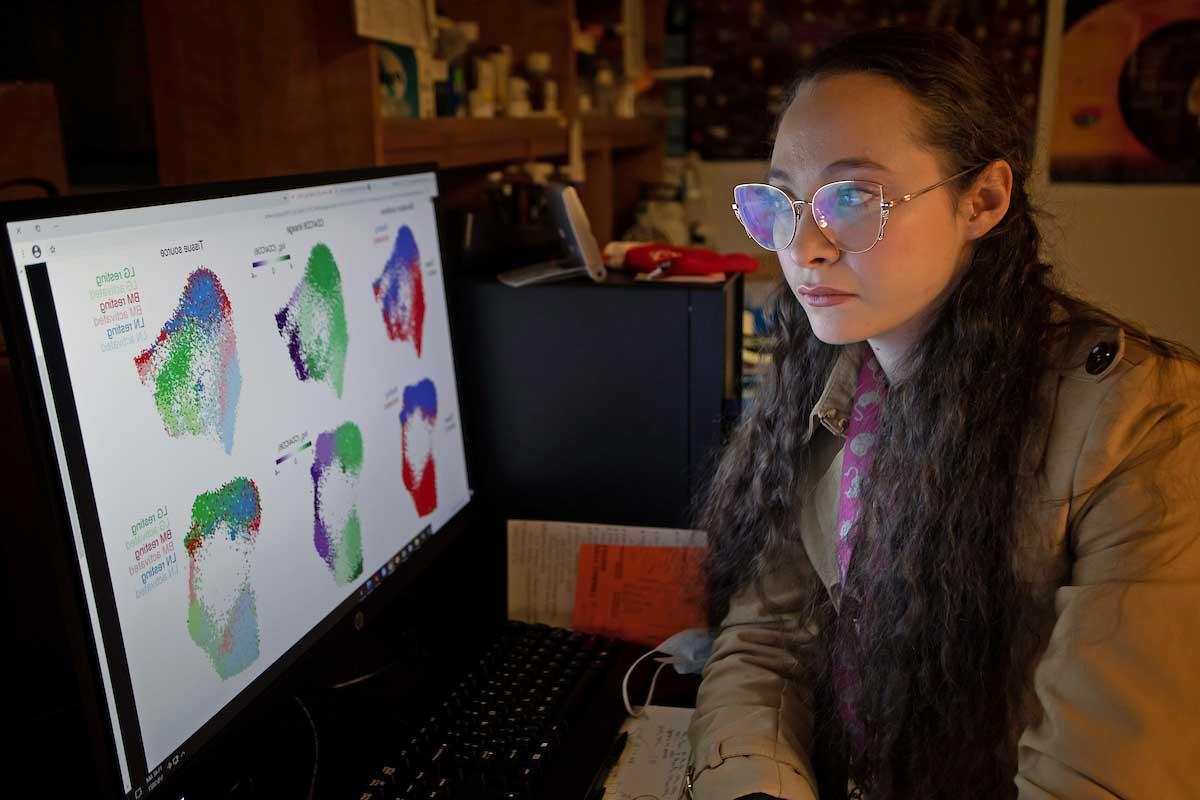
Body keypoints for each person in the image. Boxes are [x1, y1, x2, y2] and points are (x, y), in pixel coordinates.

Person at [687, 26, 1200, 800]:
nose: (804, 245)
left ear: (982, 201)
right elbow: (766, 645)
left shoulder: (1144, 427)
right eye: (783, 201)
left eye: (853, 197)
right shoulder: (832, 379)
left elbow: (1101, 779)